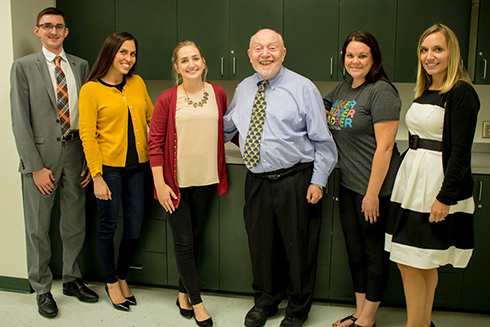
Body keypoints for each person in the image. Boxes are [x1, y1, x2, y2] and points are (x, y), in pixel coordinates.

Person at [223, 28, 338, 327]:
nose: (265, 54)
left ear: (283, 52)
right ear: (249, 55)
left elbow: (324, 142)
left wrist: (318, 180)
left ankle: (298, 309)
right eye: (258, 48)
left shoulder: (303, 88)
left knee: (299, 249)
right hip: (257, 180)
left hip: (296, 180)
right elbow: (227, 126)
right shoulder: (244, 88)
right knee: (261, 247)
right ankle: (265, 301)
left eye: (272, 47)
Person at [385, 24, 480, 327]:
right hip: (412, 183)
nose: (429, 56)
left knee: (411, 260)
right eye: (424, 50)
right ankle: (423, 324)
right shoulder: (427, 90)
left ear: (452, 52)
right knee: (420, 261)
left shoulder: (461, 92)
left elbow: (460, 153)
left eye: (438, 49)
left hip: (434, 188)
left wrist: (444, 198)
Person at [10, 7, 99, 318]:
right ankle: (42, 288)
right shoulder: (23, 67)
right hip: (41, 157)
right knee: (37, 227)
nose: (53, 31)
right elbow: (20, 120)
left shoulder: (80, 65)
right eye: (46, 26)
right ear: (38, 31)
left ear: (66, 31)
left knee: (75, 222)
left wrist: (90, 158)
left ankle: (73, 279)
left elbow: (88, 117)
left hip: (76, 150)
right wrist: (34, 166)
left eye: (58, 27)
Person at [148, 40, 228, 327]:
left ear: (204, 62)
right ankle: (197, 301)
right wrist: (160, 184)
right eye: (184, 60)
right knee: (183, 242)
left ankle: (182, 292)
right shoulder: (168, 99)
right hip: (176, 184)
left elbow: (227, 129)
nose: (191, 64)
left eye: (195, 58)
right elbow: (154, 144)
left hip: (207, 179)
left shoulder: (217, 93)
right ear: (177, 67)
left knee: (196, 238)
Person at [324, 31, 401, 327]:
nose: (355, 61)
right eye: (350, 55)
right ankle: (359, 311)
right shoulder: (344, 89)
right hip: (349, 185)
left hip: (376, 190)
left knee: (373, 254)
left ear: (374, 59)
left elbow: (385, 147)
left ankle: (367, 319)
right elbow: (320, 106)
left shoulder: (381, 92)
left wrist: (372, 194)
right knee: (355, 252)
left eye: (362, 55)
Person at [79, 31, 154, 312]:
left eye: (133, 53)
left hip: (138, 169)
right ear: (110, 53)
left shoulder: (136, 83)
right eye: (123, 52)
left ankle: (122, 275)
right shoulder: (91, 90)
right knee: (108, 227)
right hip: (108, 170)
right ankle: (111, 282)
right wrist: (96, 176)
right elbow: (87, 135)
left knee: (134, 228)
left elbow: (152, 117)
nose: (128, 58)